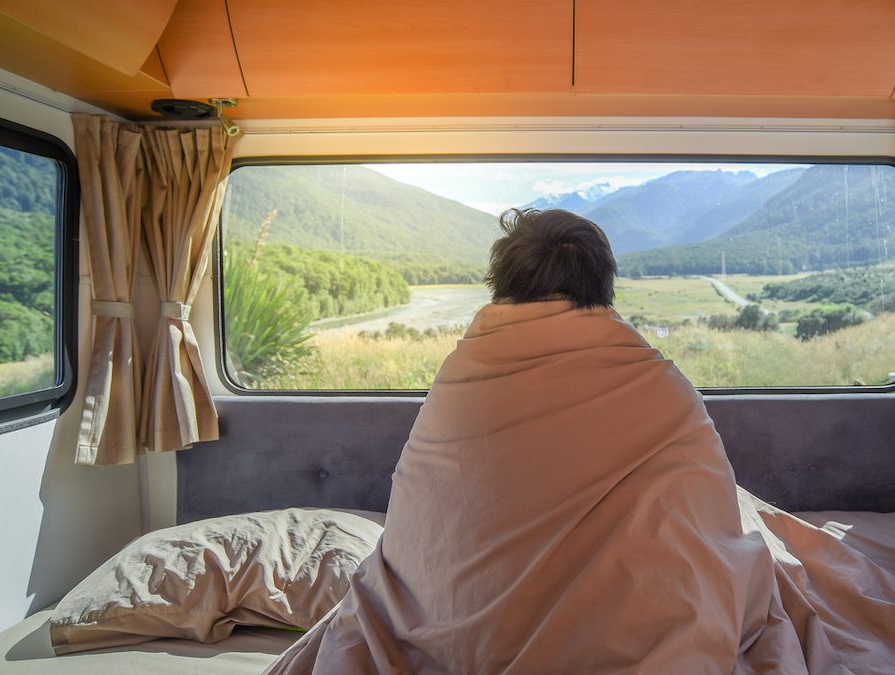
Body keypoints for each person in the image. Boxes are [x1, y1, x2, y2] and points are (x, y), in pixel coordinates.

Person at [267, 207, 769, 673]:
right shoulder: (658, 383)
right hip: (632, 635)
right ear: (602, 287)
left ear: (501, 284)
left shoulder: (464, 374)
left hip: (450, 636)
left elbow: (426, 521)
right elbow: (708, 518)